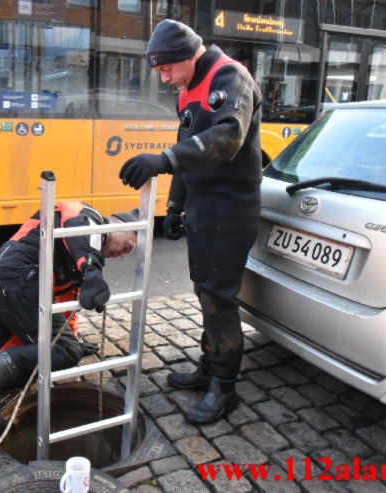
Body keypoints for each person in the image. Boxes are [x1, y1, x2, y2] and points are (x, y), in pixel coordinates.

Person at [119, 19, 262, 424]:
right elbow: (187, 149)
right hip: (203, 208)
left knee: (219, 297)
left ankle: (224, 388)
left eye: (165, 69)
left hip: (230, 209)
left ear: (187, 56)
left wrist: (163, 161)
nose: (163, 78)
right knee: (204, 292)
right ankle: (209, 366)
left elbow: (227, 137)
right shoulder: (187, 93)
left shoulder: (231, 77)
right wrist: (175, 207)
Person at [0, 201, 138, 432]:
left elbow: (67, 305)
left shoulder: (82, 257)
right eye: (127, 247)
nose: (121, 254)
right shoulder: (88, 217)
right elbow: (81, 227)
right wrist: (91, 270)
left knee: (32, 361)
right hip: (15, 279)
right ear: (118, 224)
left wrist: (72, 338)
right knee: (64, 351)